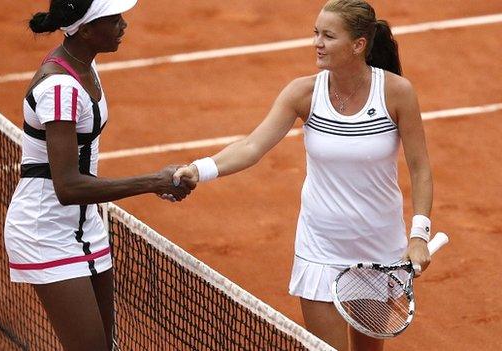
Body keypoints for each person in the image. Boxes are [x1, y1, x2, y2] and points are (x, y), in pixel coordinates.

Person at [173, 1, 433, 350]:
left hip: (378, 249)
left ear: (358, 45)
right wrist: (199, 169)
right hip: (320, 247)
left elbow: (420, 168)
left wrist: (419, 234)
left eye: (328, 35)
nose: (317, 43)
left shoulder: (397, 93)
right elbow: (252, 146)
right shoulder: (304, 93)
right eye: (316, 33)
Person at [3, 1, 193, 350]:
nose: (124, 25)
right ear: (86, 30)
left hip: (85, 226)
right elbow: (68, 186)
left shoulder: (84, 66)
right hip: (45, 231)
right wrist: (153, 182)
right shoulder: (59, 88)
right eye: (114, 20)